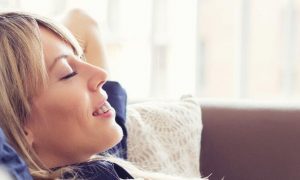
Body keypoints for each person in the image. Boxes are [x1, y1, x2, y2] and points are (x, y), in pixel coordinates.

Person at [0, 11, 207, 179]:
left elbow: (82, 20)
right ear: (20, 127)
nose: (101, 74)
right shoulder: (95, 174)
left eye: (80, 56)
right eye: (67, 73)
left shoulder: (87, 150)